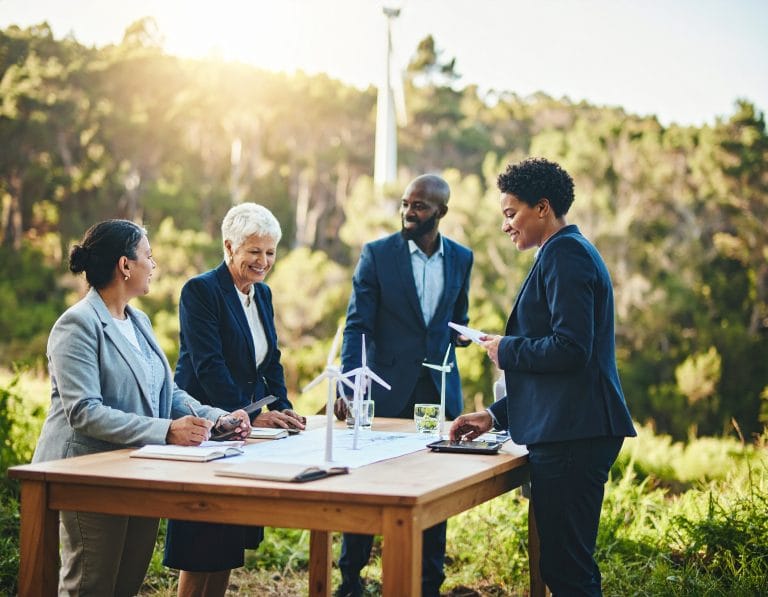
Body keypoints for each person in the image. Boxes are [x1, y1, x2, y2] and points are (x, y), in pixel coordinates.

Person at [32, 219, 250, 597]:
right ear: (125, 265)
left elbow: (167, 391)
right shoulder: (77, 325)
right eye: (148, 256)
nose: (154, 264)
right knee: (91, 586)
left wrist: (216, 419)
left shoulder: (139, 320)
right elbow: (84, 411)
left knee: (127, 584)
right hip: (87, 475)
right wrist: (166, 431)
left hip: (136, 471)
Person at [449, 157, 636, 596]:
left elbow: (572, 350)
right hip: (572, 427)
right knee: (564, 565)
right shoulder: (560, 252)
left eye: (510, 214)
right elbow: (562, 371)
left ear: (543, 208)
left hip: (576, 434)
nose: (505, 226)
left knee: (568, 571)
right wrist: (494, 417)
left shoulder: (566, 255)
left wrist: (504, 348)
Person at [333, 174, 473, 597]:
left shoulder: (462, 258)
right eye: (406, 203)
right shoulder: (377, 255)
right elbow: (358, 325)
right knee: (367, 481)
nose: (409, 212)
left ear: (441, 213)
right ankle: (351, 579)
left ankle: (428, 584)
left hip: (437, 391)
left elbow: (455, 319)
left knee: (431, 486)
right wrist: (350, 385)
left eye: (419, 206)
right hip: (382, 388)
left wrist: (463, 335)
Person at [163, 202, 306, 597]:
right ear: (229, 247)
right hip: (204, 426)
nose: (264, 261)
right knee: (201, 542)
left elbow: (270, 361)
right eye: (254, 251)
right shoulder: (200, 291)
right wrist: (250, 416)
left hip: (242, 432)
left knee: (226, 541)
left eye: (270, 252)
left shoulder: (261, 294)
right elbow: (209, 367)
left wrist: (283, 409)